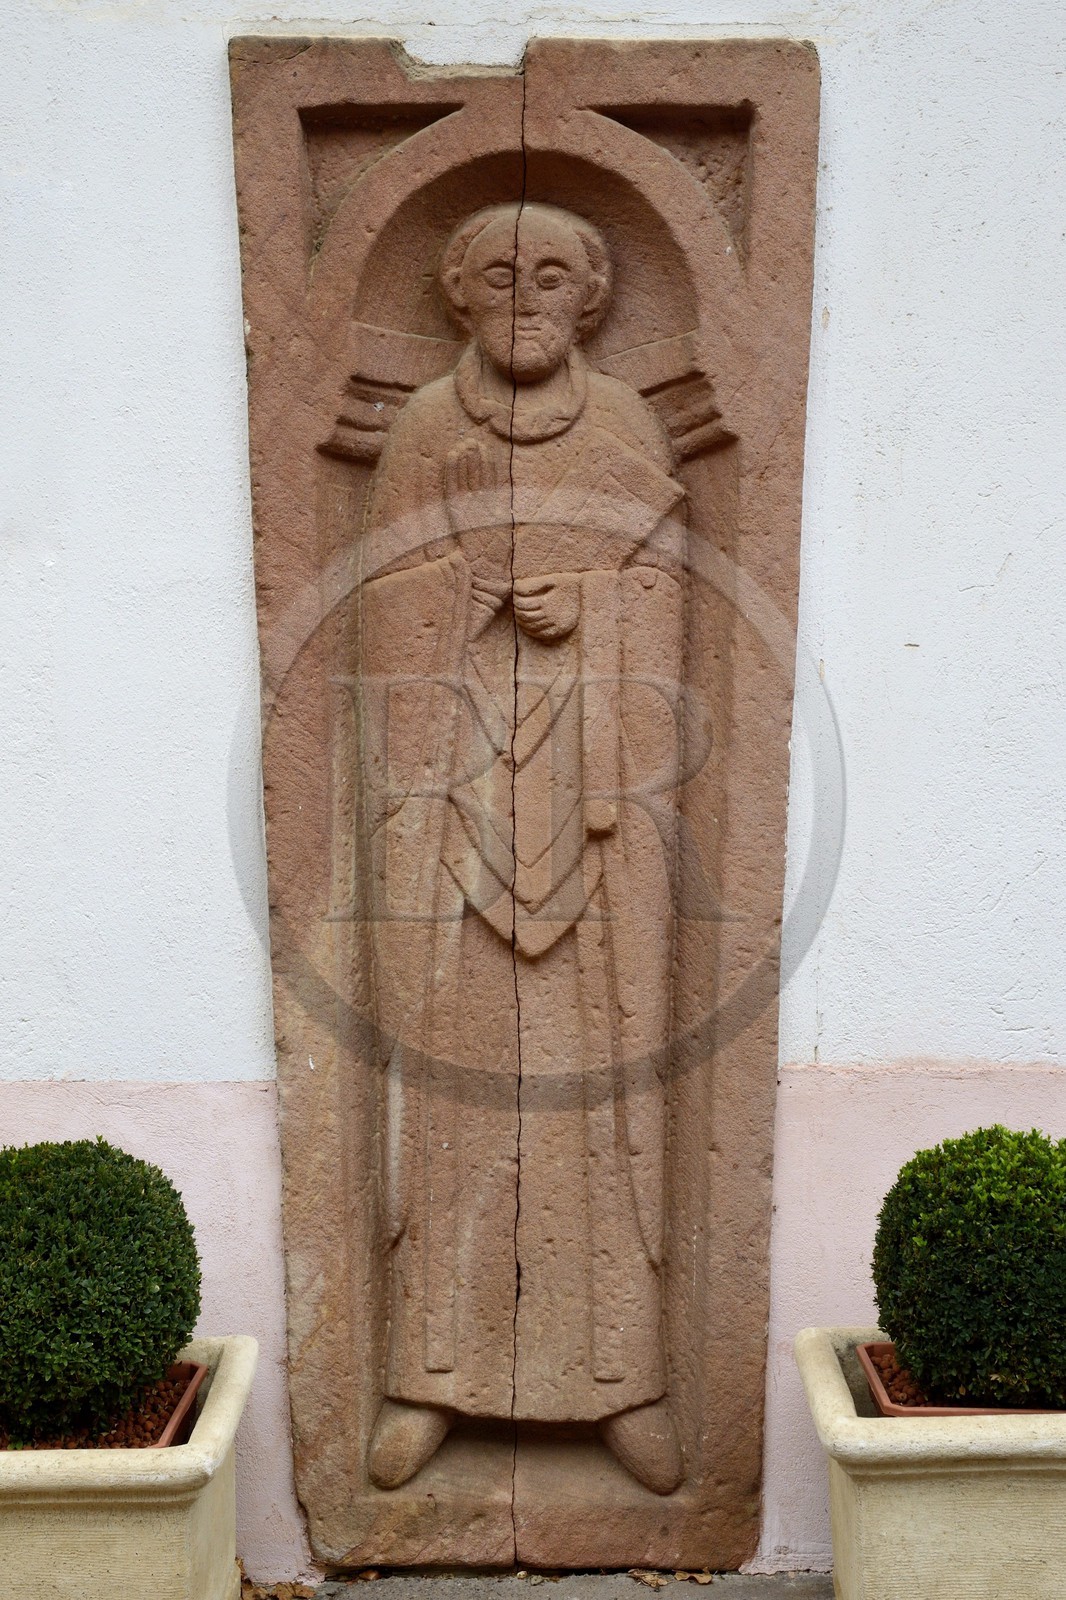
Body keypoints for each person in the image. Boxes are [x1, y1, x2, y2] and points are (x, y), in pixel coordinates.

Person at [358, 202, 686, 1494]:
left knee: (602, 1103)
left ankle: (622, 1383)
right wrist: (459, 595)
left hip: (597, 832)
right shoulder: (423, 433)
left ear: (595, 295)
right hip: (456, 815)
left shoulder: (625, 429)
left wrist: (593, 610)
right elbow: (375, 618)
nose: (528, 295)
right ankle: (426, 1380)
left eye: (556, 273)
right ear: (455, 294)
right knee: (450, 1097)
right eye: (499, 273)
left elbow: (673, 607)